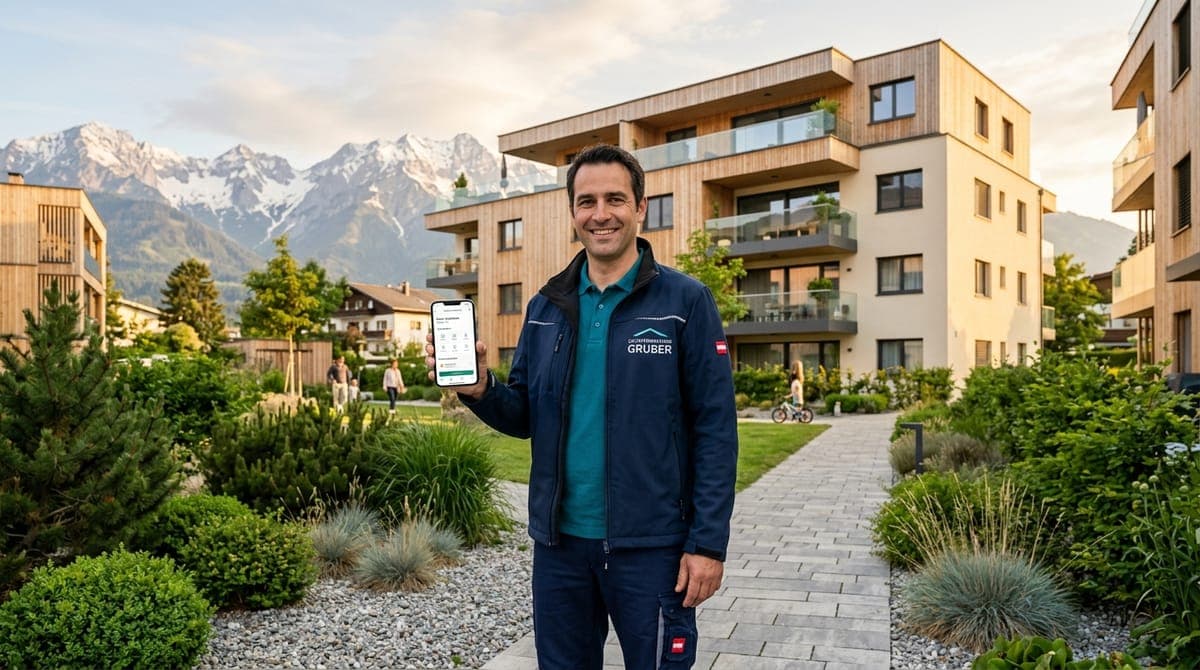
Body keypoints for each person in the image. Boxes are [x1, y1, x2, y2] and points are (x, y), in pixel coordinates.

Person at [425, 144, 738, 670]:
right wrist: (479, 388)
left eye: (615, 198)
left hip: (654, 548)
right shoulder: (546, 306)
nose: (600, 214)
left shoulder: (685, 303)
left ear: (640, 208)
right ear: (572, 212)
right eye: (586, 201)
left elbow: (715, 430)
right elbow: (525, 413)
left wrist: (707, 544)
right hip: (560, 548)